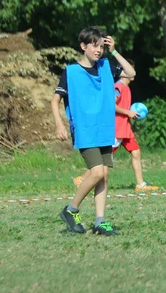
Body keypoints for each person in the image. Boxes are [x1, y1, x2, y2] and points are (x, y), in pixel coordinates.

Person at [51, 27, 136, 236]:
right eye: (94, 46)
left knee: (104, 175)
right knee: (96, 172)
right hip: (85, 130)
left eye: (101, 46)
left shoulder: (106, 66)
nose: (98, 50)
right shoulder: (71, 72)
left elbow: (131, 73)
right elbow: (55, 100)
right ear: (83, 46)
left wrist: (114, 51)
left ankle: (100, 221)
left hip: (104, 129)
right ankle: (71, 210)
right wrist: (59, 124)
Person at [72, 59, 158, 192]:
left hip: (125, 129)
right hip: (116, 130)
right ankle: (82, 179)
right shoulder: (118, 87)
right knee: (101, 162)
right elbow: (111, 105)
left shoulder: (126, 88)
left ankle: (141, 185)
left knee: (136, 152)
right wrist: (127, 112)